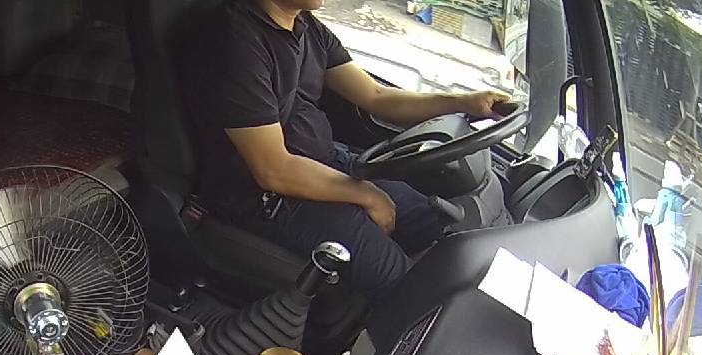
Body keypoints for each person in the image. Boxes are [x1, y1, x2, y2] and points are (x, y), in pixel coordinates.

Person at [182, 0, 509, 297]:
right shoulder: (234, 41)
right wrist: (366, 194)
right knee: (403, 285)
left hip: (326, 161)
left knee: (436, 224)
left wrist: (463, 102)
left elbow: (377, 97)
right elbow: (273, 169)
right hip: (264, 198)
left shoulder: (306, 27)